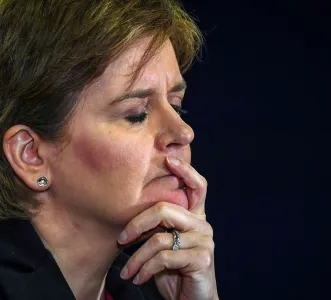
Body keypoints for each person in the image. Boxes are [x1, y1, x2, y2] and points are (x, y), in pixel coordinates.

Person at [0, 1, 218, 299]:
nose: (184, 132)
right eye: (137, 114)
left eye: (177, 106)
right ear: (31, 156)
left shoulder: (154, 290)